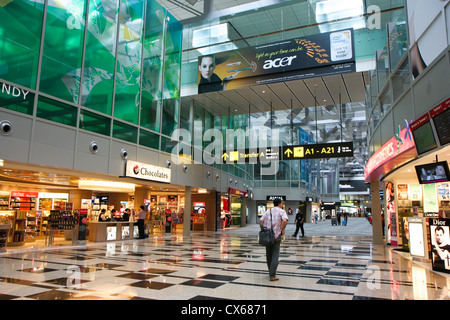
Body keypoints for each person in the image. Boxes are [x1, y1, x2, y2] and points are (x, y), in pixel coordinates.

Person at [259, 198, 288, 281]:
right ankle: (272, 275)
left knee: (269, 255)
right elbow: (285, 220)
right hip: (276, 235)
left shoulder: (268, 211)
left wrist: (263, 230)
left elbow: (261, 221)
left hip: (268, 236)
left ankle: (270, 272)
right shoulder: (282, 211)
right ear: (280, 203)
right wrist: (282, 229)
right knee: (275, 255)